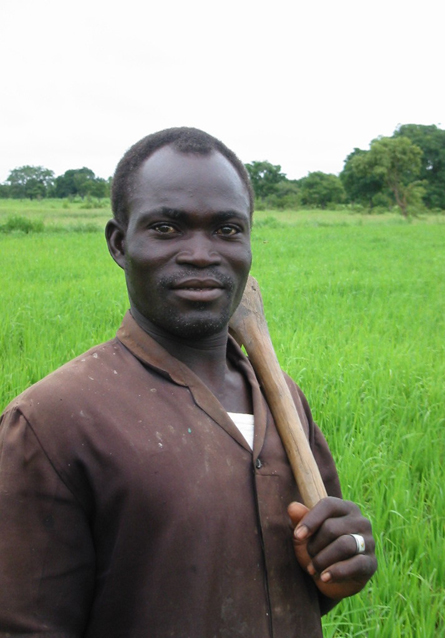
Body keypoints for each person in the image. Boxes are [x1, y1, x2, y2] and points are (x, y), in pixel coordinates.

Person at [0, 127, 377, 637]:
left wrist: (338, 568)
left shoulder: (281, 398)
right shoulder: (52, 423)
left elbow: (310, 577)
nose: (201, 254)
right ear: (119, 243)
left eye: (226, 230)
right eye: (166, 228)